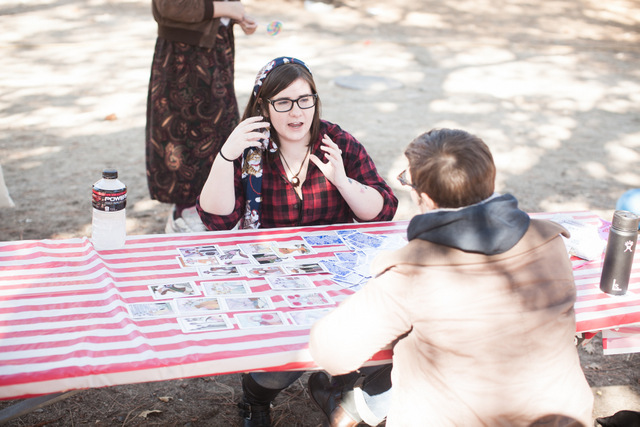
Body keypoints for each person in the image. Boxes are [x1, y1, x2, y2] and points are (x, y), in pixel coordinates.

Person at [309, 128, 595, 426]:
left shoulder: (414, 271)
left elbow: (332, 352)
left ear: (427, 199)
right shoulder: (549, 239)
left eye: (408, 182)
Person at [196, 57, 398, 426]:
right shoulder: (251, 149)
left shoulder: (335, 142)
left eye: (305, 100)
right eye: (283, 102)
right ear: (264, 107)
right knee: (282, 369)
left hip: (336, 280)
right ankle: (256, 398)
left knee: (380, 348)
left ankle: (340, 386)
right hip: (272, 279)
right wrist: (226, 156)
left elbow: (382, 211)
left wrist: (342, 180)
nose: (296, 112)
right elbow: (218, 219)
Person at [145, 0, 257, 233]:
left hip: (215, 47)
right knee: (184, 127)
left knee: (220, 126)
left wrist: (235, 18)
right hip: (184, 53)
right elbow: (169, 6)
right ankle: (188, 208)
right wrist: (227, 10)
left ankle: (213, 205)